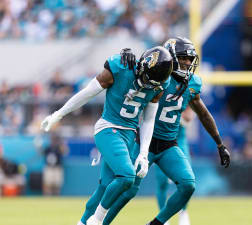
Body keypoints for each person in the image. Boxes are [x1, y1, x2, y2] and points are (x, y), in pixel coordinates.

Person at [103, 37, 231, 225]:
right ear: (170, 57)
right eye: (183, 58)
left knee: (188, 185)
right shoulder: (157, 74)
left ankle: (156, 224)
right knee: (128, 189)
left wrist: (220, 144)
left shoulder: (192, 84)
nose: (188, 63)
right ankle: (100, 222)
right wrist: (125, 53)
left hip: (168, 144)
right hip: (143, 141)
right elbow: (136, 69)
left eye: (189, 59)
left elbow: (204, 114)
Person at [40, 46, 173, 225]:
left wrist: (143, 153)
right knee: (126, 176)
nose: (149, 85)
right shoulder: (121, 68)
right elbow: (88, 93)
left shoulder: (160, 83)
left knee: (105, 187)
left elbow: (149, 120)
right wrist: (59, 113)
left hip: (130, 136)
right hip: (108, 128)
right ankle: (97, 220)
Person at [154, 107, 195, 225]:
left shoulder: (185, 91)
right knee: (162, 182)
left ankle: (183, 212)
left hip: (179, 141)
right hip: (161, 141)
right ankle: (163, 217)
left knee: (187, 180)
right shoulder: (160, 90)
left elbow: (189, 117)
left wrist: (174, 114)